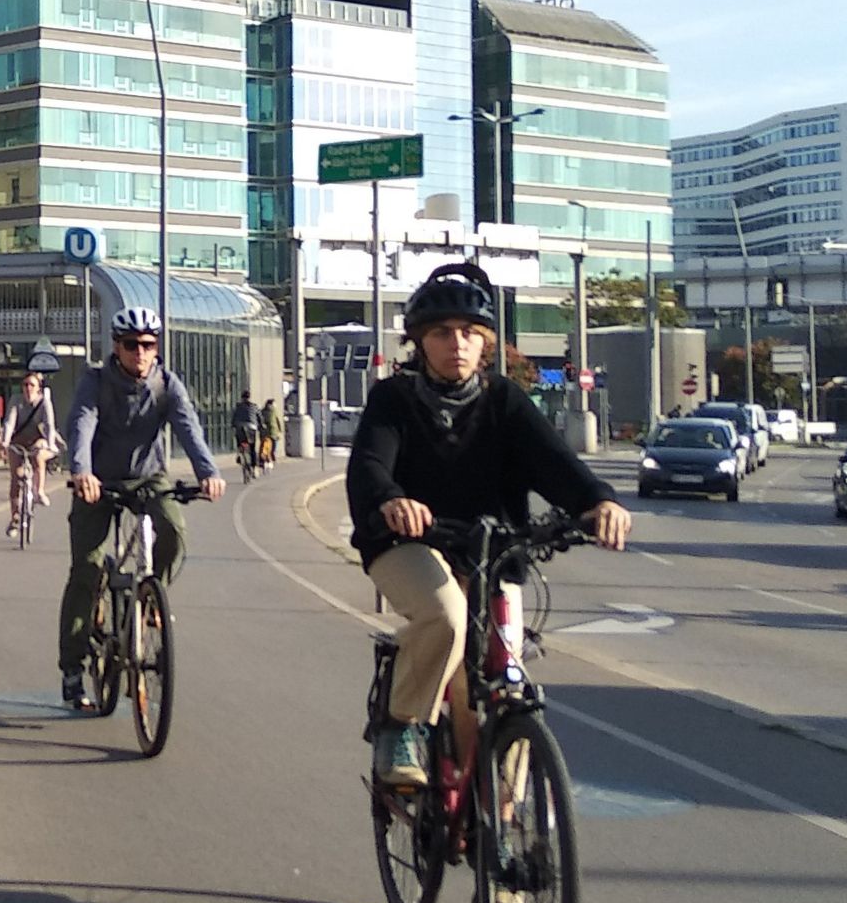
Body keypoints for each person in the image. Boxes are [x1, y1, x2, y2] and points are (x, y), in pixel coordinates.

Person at [348, 264, 630, 788]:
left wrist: (598, 502)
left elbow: (556, 465)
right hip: (410, 546)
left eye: (470, 333)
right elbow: (369, 465)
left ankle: (506, 824)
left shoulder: (504, 401)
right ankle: (402, 726)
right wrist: (392, 500)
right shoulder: (394, 399)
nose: (457, 343)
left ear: (486, 343)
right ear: (419, 341)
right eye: (441, 332)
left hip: (493, 551)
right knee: (448, 618)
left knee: (510, 680)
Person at [59, 307, 226, 710]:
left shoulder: (166, 385)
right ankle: (73, 669)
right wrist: (82, 472)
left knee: (174, 530)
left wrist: (209, 472)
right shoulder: (96, 381)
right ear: (117, 347)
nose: (140, 352)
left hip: (149, 477)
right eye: (132, 345)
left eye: (148, 344)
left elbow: (189, 429)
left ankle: (152, 599)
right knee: (87, 569)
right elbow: (81, 423)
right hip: (98, 481)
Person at [0, 372, 60, 526]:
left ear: (38, 388)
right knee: (16, 477)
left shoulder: (44, 403)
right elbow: (9, 422)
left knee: (39, 456)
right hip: (18, 441)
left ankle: (39, 491)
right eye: (25, 385)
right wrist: (5, 442)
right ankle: (15, 518)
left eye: (32, 385)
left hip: (38, 440)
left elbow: (49, 426)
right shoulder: (16, 400)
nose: (28, 388)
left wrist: (50, 443)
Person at [231, 392, 263, 473]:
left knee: (240, 443)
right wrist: (261, 425)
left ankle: (239, 454)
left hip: (240, 427)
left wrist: (233, 425)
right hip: (251, 427)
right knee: (252, 448)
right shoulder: (254, 406)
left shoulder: (238, 407)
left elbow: (234, 417)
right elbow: (260, 417)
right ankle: (254, 467)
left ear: (242, 398)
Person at [260, 398, 284, 467]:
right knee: (271, 445)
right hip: (272, 431)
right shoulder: (273, 411)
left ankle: (266, 458)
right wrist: (280, 429)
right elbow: (278, 420)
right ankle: (269, 457)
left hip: (267, 432)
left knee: (266, 445)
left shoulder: (263, 411)